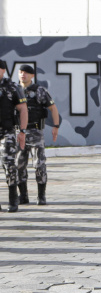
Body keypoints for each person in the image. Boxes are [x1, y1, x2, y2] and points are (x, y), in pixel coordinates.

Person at [16, 65, 59, 206]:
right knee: (18, 165)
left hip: (35, 133)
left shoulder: (40, 91)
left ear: (32, 75)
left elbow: (53, 108)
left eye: (27, 73)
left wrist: (56, 126)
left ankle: (41, 196)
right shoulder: (14, 90)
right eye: (21, 72)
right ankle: (23, 196)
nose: (23, 75)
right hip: (19, 133)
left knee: (39, 165)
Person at [0, 59, 27, 212]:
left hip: (7, 131)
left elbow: (23, 109)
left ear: (3, 70)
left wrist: (22, 131)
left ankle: (12, 200)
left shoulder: (12, 88)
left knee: (9, 164)